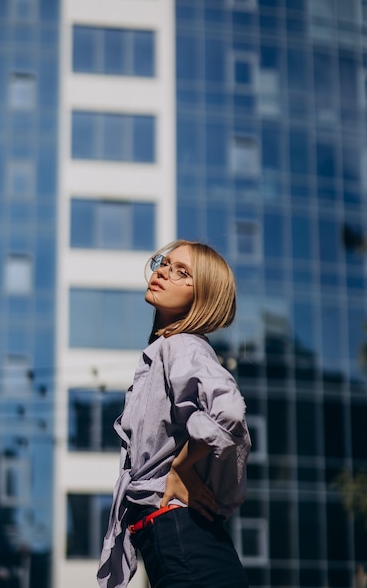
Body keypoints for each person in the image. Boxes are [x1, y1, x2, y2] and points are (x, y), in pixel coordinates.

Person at [97, 240, 251, 588]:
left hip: (184, 536)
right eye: (165, 264)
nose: (165, 272)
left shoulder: (181, 345)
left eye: (183, 273)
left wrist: (180, 466)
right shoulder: (165, 350)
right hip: (174, 534)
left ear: (204, 296)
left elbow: (228, 412)